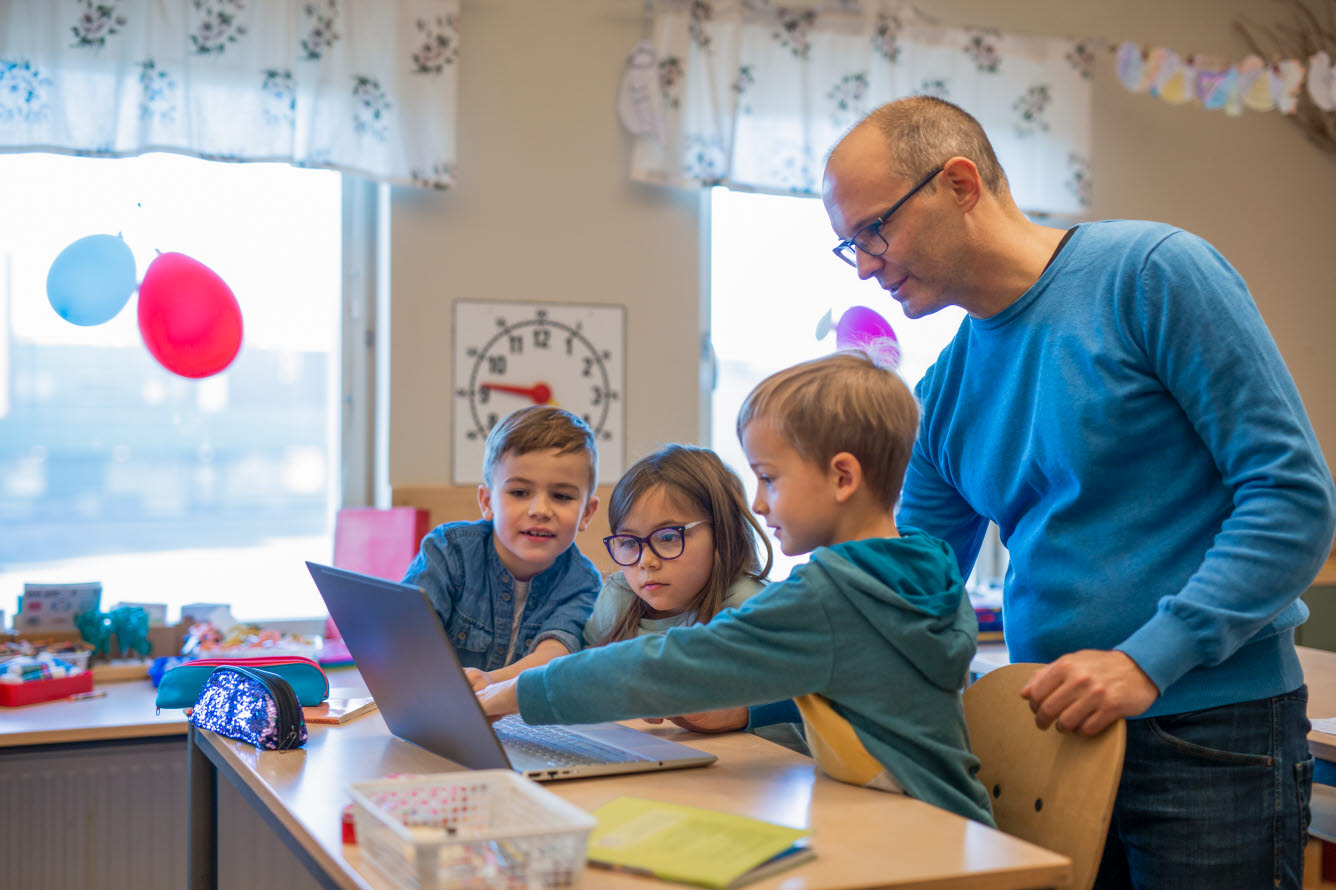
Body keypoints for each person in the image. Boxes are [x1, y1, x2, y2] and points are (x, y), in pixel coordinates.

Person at [821, 96, 1336, 888]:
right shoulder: (946, 391)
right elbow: (903, 594)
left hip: (1212, 730)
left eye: (874, 230)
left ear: (960, 183)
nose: (865, 264)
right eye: (847, 246)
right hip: (1057, 737)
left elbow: (1293, 499)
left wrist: (1147, 660)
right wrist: (750, 697)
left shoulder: (1152, 274)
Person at [476, 352, 995, 825]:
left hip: (922, 838)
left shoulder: (831, 598)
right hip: (953, 826)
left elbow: (664, 666)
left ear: (842, 478)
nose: (760, 504)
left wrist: (514, 695)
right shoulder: (920, 568)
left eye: (769, 479)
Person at [582, 442, 780, 736]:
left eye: (667, 537)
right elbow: (586, 681)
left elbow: (789, 741)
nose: (646, 562)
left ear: (724, 533)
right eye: (627, 542)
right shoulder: (618, 597)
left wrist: (738, 715)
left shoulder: (754, 609)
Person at [400, 405, 602, 682]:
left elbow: (554, 654)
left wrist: (489, 684)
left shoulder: (583, 583)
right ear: (487, 502)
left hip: (528, 721)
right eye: (519, 492)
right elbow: (407, 632)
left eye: (562, 496)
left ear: (587, 513)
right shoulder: (448, 551)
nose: (540, 510)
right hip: (438, 710)